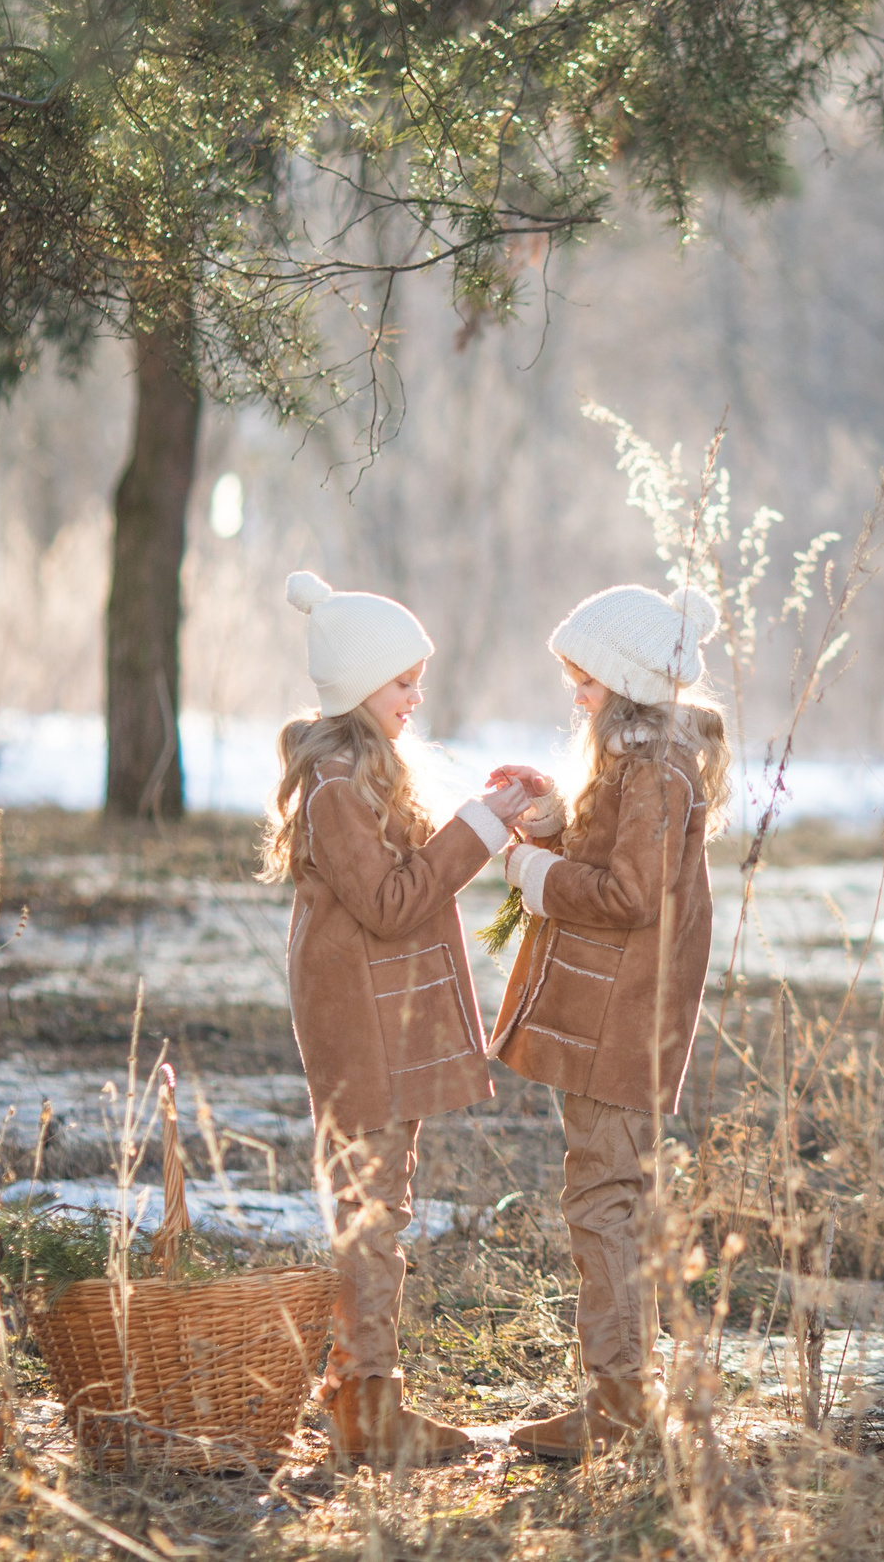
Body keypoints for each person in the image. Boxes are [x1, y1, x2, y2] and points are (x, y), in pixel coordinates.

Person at [264, 570, 531, 1469]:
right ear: (357, 687)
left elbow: (404, 865)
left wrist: (487, 806)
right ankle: (366, 1404)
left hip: (380, 1021)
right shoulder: (336, 788)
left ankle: (361, 1390)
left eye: (419, 680)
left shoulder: (364, 770)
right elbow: (388, 900)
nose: (418, 697)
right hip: (358, 1030)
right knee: (372, 1207)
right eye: (403, 682)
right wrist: (479, 828)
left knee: (383, 1199)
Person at [485, 583, 728, 1460]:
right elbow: (617, 851)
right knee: (610, 1189)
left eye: (585, 678)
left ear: (626, 683)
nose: (575, 694)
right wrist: (555, 820)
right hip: (609, 1014)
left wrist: (533, 877)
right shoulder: (636, 764)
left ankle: (620, 1402)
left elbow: (629, 892)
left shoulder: (659, 772)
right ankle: (623, 1390)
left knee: (604, 1195)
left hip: (625, 1019)